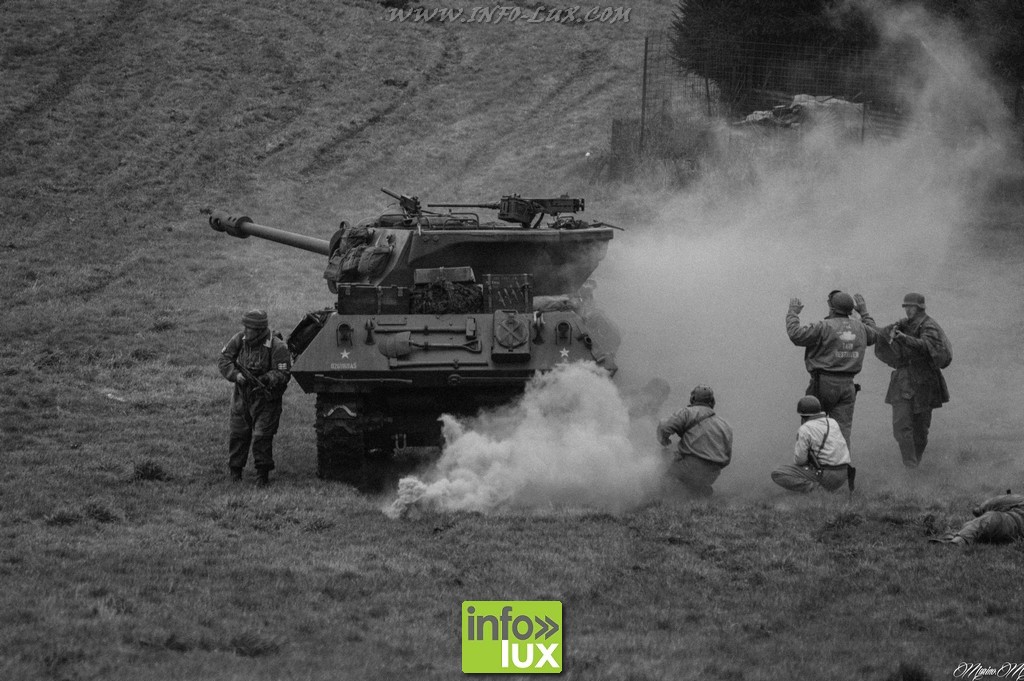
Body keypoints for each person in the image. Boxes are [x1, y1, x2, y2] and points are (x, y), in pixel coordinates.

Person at [786, 290, 878, 450]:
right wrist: (864, 312)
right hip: (848, 387)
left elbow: (796, 335)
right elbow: (874, 334)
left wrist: (793, 313)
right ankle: (841, 470)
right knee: (842, 435)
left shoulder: (824, 327)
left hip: (822, 384)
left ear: (832, 308)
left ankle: (811, 469)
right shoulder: (861, 328)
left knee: (812, 430)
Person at [872, 293, 951, 469]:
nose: (907, 310)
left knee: (921, 428)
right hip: (904, 379)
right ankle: (910, 464)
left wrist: (903, 338)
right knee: (901, 424)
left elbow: (927, 346)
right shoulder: (903, 324)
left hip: (925, 380)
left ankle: (915, 461)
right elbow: (883, 335)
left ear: (920, 308)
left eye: (911, 307)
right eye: (906, 306)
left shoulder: (930, 326)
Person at [218, 309, 291, 486]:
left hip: (266, 400)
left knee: (262, 437)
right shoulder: (239, 340)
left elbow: (284, 373)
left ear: (259, 330)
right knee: (238, 433)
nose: (245, 331)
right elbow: (224, 360)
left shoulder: (277, 346)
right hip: (242, 396)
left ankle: (262, 474)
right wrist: (236, 376)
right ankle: (235, 472)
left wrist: (268, 378)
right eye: (245, 326)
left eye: (249, 328)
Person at [657, 385, 733, 497]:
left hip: (690, 467)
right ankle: (700, 491)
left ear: (692, 399)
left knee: (666, 458)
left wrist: (664, 440)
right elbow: (727, 457)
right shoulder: (725, 425)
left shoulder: (687, 413)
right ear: (712, 401)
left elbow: (664, 427)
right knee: (695, 486)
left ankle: (662, 497)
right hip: (713, 472)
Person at [771, 396, 855, 494]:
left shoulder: (805, 429)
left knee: (777, 473)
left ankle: (816, 490)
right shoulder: (832, 422)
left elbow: (800, 460)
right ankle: (824, 489)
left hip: (826, 475)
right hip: (843, 474)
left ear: (802, 415)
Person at [931, 492, 1024, 546]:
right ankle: (955, 536)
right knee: (979, 524)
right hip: (1013, 525)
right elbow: (981, 509)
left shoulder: (1017, 500)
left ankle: (956, 541)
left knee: (986, 520)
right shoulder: (1018, 499)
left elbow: (979, 510)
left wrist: (980, 509)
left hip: (1014, 521)